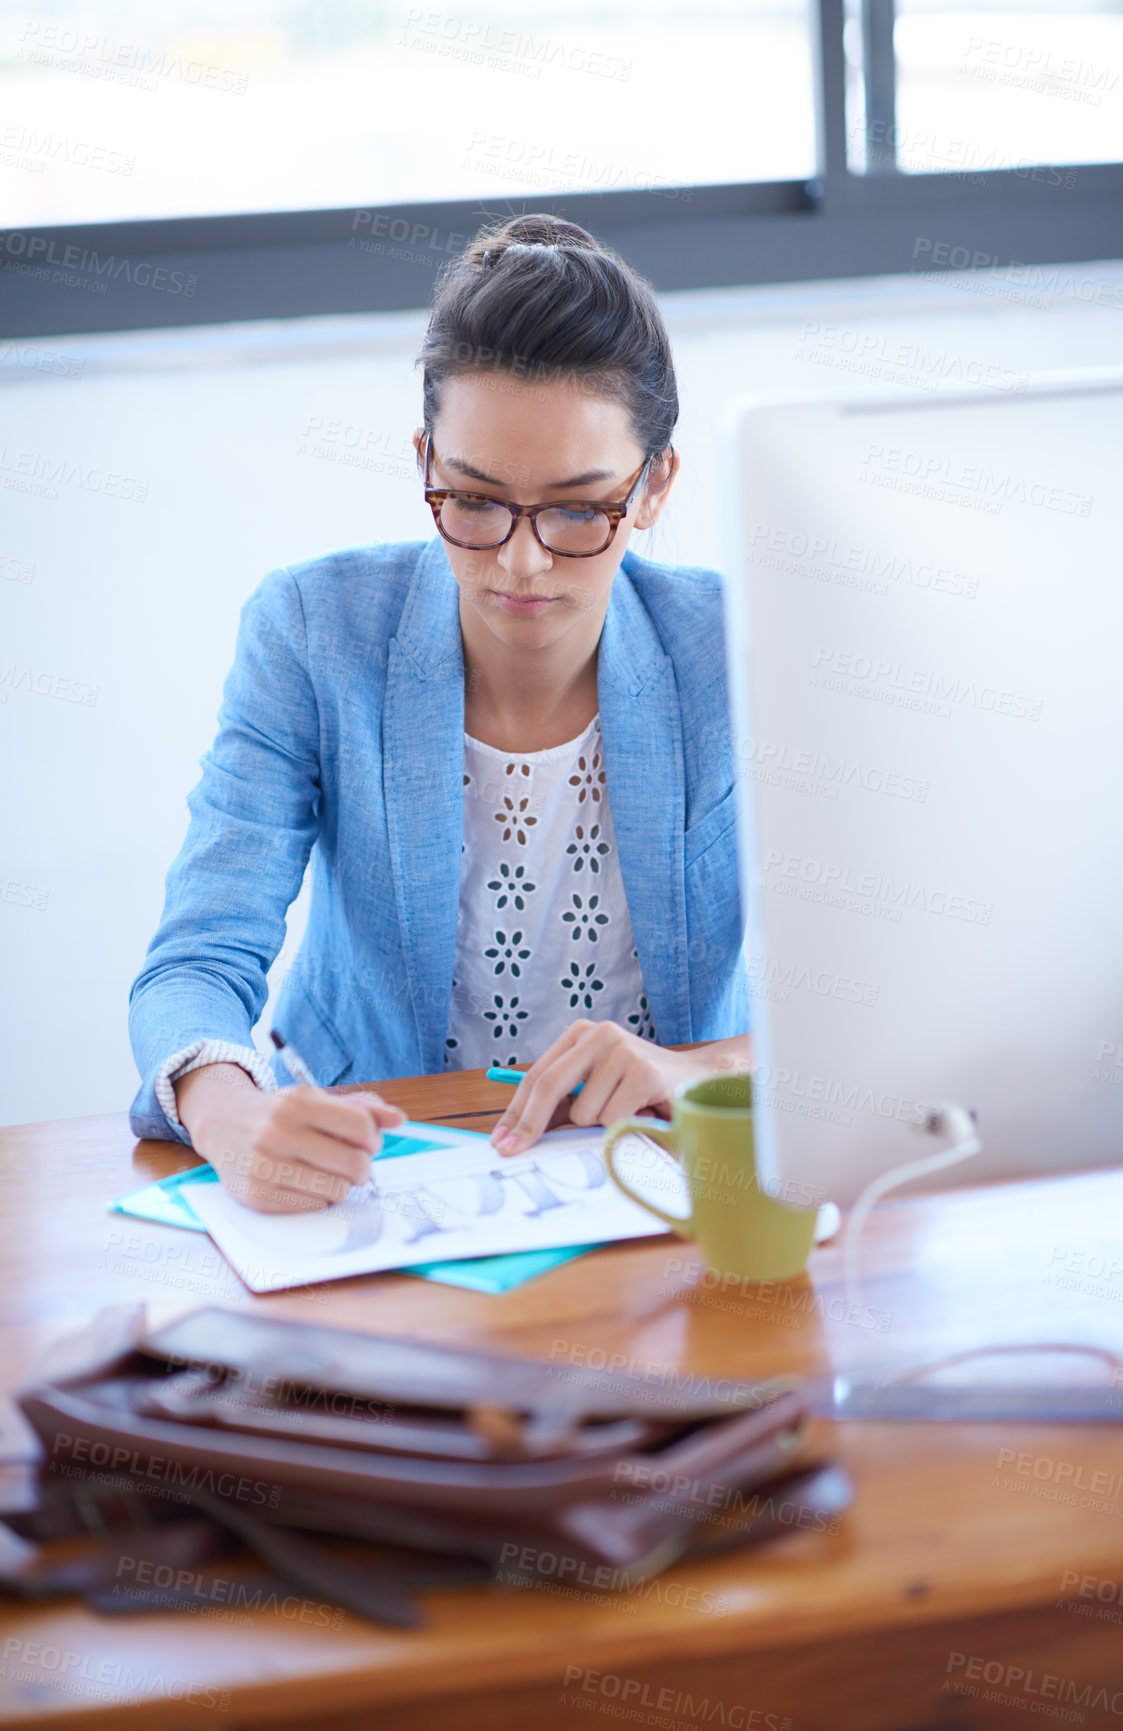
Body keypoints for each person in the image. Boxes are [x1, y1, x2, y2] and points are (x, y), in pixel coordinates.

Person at [127, 213, 750, 1214]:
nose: (521, 562)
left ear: (654, 487)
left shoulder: (735, 652)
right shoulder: (313, 632)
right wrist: (230, 1114)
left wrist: (710, 1068)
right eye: (472, 499)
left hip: (656, 1180)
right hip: (379, 1182)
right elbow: (199, 956)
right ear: (426, 461)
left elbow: (887, 1001)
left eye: (579, 509)